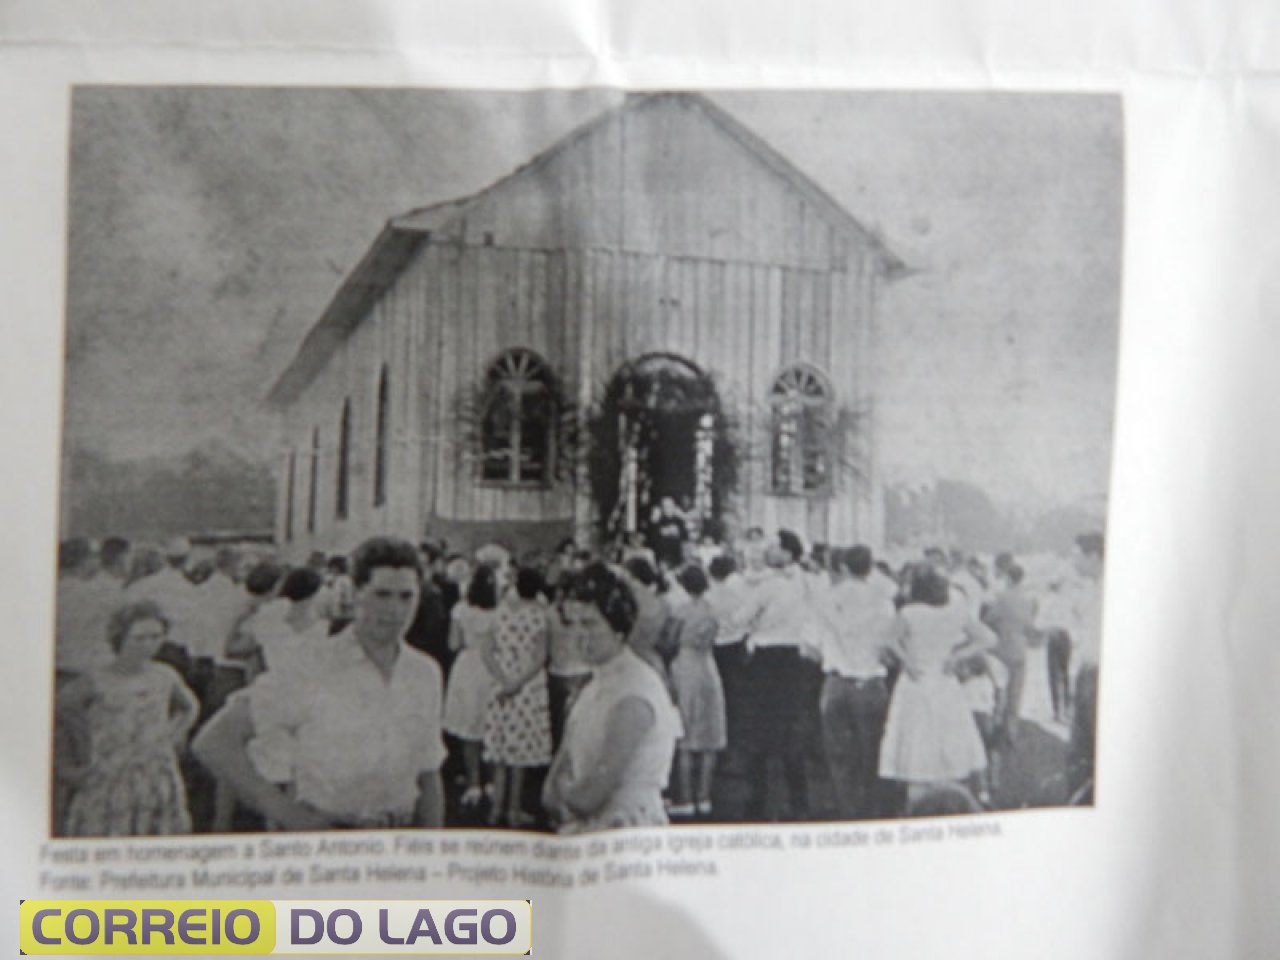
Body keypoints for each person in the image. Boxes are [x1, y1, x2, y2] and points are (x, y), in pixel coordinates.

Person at [192, 537, 447, 829]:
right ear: (355, 593)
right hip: (332, 835)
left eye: (406, 597)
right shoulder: (313, 664)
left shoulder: (424, 672)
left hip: (401, 836)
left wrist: (434, 843)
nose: (395, 610)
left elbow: (429, 769)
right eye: (382, 595)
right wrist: (289, 815)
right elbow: (214, 741)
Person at [542, 563, 681, 833]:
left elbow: (589, 797)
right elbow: (550, 789)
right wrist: (564, 794)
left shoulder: (635, 690)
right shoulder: (593, 685)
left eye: (590, 624)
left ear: (618, 627)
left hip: (627, 831)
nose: (579, 634)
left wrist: (567, 794)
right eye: (572, 624)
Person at [58, 600, 199, 836]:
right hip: (111, 773)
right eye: (139, 638)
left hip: (157, 771)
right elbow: (62, 711)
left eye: (156, 637)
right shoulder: (97, 679)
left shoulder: (164, 675)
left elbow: (189, 706)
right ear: (120, 637)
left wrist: (173, 735)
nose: (148, 645)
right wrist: (71, 764)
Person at [879, 566, 997, 810]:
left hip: (916, 683)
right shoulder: (957, 612)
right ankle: (951, 803)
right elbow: (988, 639)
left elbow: (887, 640)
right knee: (947, 743)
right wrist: (957, 657)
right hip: (945, 684)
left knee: (916, 744)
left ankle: (918, 807)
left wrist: (906, 659)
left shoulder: (909, 613)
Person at [812, 545, 896, 819]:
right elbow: (890, 648)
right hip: (871, 682)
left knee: (838, 753)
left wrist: (834, 652)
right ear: (871, 568)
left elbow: (809, 645)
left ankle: (846, 808)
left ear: (843, 567)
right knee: (872, 751)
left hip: (836, 682)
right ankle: (871, 808)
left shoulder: (826, 598)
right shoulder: (883, 601)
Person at [482, 567, 552, 828]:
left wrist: (502, 679)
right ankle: (513, 810)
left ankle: (495, 809)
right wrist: (518, 682)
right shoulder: (540, 616)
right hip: (527, 687)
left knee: (500, 751)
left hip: (501, 682)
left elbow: (486, 652)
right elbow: (540, 657)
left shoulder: (499, 614)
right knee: (519, 753)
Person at [667, 565, 726, 818]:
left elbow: (670, 639)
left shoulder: (680, 611)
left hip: (685, 665)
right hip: (708, 666)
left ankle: (686, 798)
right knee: (709, 734)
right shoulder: (712, 611)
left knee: (686, 733)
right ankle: (705, 796)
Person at [442, 565, 500, 807]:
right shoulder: (500, 613)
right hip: (492, 667)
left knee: (469, 727)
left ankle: (473, 782)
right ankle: (493, 782)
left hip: (467, 667)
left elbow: (453, 644)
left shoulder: (460, 610)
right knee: (492, 725)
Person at [981, 561, 1038, 740]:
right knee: (1016, 689)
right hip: (1019, 647)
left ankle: (996, 723)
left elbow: (989, 619)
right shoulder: (1029, 599)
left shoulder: (1000, 597)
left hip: (1001, 647)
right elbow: (1030, 625)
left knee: (999, 687)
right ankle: (1011, 728)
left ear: (1007, 578)